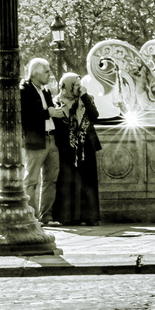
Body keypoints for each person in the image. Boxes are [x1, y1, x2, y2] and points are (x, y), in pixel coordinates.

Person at [50, 72, 102, 227]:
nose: (80, 88)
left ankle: (91, 216)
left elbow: (94, 116)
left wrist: (85, 97)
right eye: (76, 85)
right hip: (67, 148)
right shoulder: (56, 102)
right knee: (67, 181)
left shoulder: (87, 99)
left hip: (87, 146)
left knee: (89, 181)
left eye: (80, 85)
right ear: (66, 87)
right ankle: (68, 217)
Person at [19, 58, 63, 223]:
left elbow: (47, 111)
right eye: (46, 71)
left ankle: (46, 216)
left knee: (51, 180)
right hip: (36, 140)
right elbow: (26, 115)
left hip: (51, 138)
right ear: (36, 73)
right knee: (31, 180)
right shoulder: (24, 90)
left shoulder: (45, 91)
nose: (49, 74)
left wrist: (56, 112)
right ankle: (30, 216)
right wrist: (48, 113)